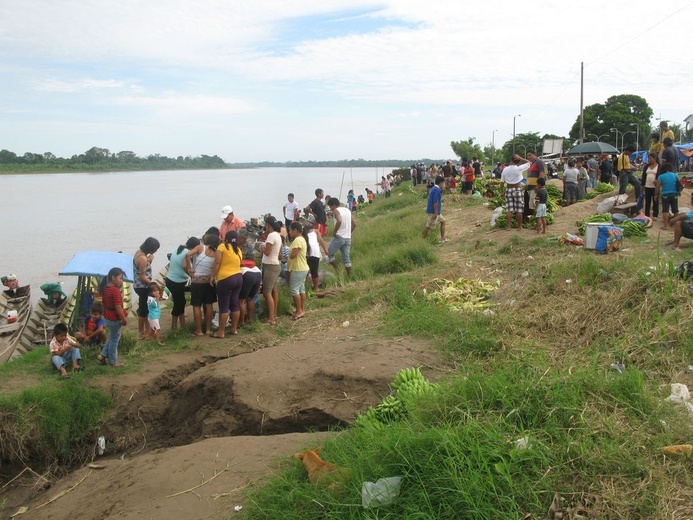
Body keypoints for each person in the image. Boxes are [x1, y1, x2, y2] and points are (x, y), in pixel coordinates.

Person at [211, 231, 243, 338]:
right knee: (234, 304)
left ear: (226, 238)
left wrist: (212, 276)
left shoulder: (222, 247)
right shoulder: (238, 249)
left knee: (224, 306)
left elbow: (217, 262)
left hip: (226, 279)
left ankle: (221, 332)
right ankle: (234, 329)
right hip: (238, 277)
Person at [166, 237, 200, 331]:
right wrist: (190, 274)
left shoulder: (178, 249)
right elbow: (185, 266)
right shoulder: (186, 253)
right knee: (179, 303)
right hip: (176, 282)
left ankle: (183, 324)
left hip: (171, 280)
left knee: (181, 302)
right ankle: (174, 327)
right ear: (194, 247)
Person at [97, 267, 127, 367]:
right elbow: (118, 307)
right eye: (120, 278)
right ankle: (112, 362)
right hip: (114, 317)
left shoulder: (105, 288)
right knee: (115, 340)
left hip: (108, 316)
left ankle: (102, 355)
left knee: (112, 337)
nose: (121, 281)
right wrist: (123, 319)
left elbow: (104, 303)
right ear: (113, 278)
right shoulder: (115, 291)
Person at [190, 234, 219, 336]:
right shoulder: (217, 253)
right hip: (209, 281)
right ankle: (208, 329)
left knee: (196, 306)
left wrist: (190, 270)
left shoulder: (200, 247)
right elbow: (217, 265)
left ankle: (199, 330)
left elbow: (187, 255)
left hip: (197, 281)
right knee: (209, 304)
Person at [257, 217, 283, 326]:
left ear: (268, 225)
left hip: (270, 266)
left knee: (267, 292)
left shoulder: (271, 235)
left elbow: (267, 252)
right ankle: (274, 314)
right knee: (273, 291)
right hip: (275, 264)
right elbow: (280, 254)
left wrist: (259, 248)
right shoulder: (278, 235)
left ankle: (271, 319)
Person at [133, 237, 159, 340]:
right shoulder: (143, 258)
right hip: (142, 286)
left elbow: (141, 268)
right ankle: (142, 332)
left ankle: (147, 331)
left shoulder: (139, 253)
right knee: (144, 310)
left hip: (138, 285)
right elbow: (142, 276)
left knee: (146, 309)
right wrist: (153, 284)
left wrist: (149, 260)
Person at [500, 154, 531, 229]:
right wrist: (520, 158)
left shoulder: (505, 169)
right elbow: (529, 162)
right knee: (519, 209)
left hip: (509, 189)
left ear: (511, 161)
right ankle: (519, 227)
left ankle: (508, 227)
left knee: (509, 209)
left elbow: (502, 182)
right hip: (517, 189)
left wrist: (501, 191)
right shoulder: (519, 168)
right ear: (518, 162)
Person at [327, 198, 356, 276]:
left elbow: (339, 221)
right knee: (346, 258)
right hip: (347, 238)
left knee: (329, 254)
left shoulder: (336, 210)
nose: (331, 209)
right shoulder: (347, 210)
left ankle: (339, 272)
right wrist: (349, 233)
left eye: (330, 207)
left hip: (339, 237)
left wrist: (334, 232)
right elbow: (354, 224)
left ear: (333, 205)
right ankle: (349, 276)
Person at [288, 222, 310, 320]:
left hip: (298, 268)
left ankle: (299, 310)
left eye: (290, 230)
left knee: (294, 289)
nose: (289, 232)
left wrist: (288, 256)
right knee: (301, 289)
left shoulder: (298, 240)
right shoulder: (302, 239)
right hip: (302, 267)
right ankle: (301, 308)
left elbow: (293, 254)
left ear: (295, 230)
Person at [656, 162, 680, 230]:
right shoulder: (674, 175)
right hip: (674, 194)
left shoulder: (661, 176)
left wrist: (656, 194)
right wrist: (678, 192)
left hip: (665, 195)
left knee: (665, 210)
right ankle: (676, 225)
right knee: (675, 210)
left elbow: (658, 186)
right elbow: (678, 184)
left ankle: (666, 225)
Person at [422, 175, 447, 241]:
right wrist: (435, 213)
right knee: (428, 226)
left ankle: (443, 238)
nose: (444, 185)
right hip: (434, 212)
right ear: (441, 183)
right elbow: (435, 202)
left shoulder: (433, 189)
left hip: (436, 211)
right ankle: (422, 239)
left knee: (443, 221)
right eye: (443, 183)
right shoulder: (437, 190)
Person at [306, 219, 328, 292]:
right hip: (315, 252)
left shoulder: (304, 233)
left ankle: (308, 287)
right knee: (314, 271)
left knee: (306, 271)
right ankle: (316, 288)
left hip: (307, 252)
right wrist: (325, 250)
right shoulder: (316, 231)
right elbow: (321, 241)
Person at [524, 151, 545, 215]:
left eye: (529, 155)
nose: (528, 157)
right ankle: (536, 220)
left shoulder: (539, 162)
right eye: (527, 156)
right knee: (532, 205)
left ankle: (538, 222)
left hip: (535, 187)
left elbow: (541, 173)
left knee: (535, 205)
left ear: (534, 154)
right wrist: (527, 184)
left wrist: (538, 186)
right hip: (530, 187)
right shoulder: (532, 163)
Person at [641, 153, 660, 220]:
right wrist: (642, 186)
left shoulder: (659, 166)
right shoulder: (647, 167)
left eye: (650, 158)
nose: (649, 160)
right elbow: (643, 176)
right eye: (648, 158)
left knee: (655, 201)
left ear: (654, 158)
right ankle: (647, 214)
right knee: (647, 201)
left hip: (655, 187)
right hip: (647, 186)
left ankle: (655, 215)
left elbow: (659, 177)